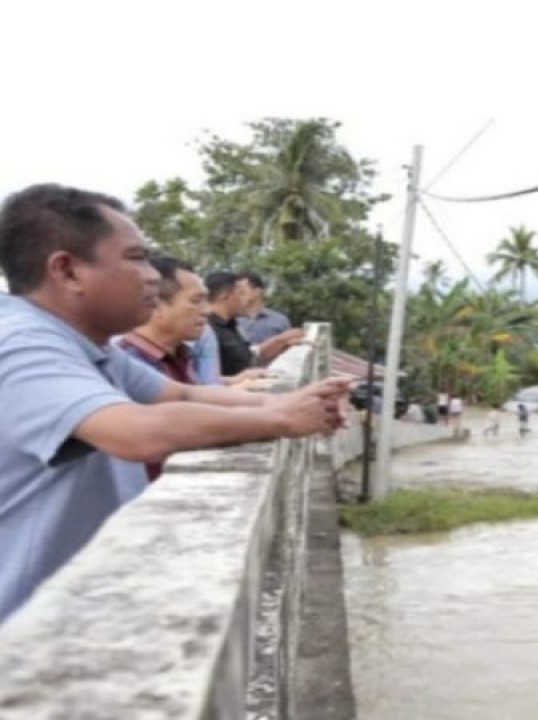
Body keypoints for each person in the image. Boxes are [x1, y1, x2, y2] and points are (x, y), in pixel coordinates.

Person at [0, 183, 350, 623]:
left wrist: (288, 403)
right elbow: (135, 432)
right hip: (24, 629)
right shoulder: (23, 345)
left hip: (80, 609)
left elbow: (180, 393)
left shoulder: (88, 345)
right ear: (67, 271)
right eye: (136, 258)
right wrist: (281, 419)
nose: (152, 276)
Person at [115, 255, 207, 481]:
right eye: (196, 301)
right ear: (157, 305)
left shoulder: (181, 355)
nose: (207, 310)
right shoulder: (127, 362)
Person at [205, 271, 302, 377]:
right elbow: (204, 379)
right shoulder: (205, 329)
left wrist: (282, 342)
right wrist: (240, 379)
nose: (245, 300)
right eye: (241, 294)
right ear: (223, 295)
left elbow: (248, 358)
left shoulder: (232, 326)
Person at [236, 271, 292, 345]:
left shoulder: (280, 320)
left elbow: (289, 347)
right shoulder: (232, 321)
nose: (238, 296)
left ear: (257, 292)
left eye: (242, 292)